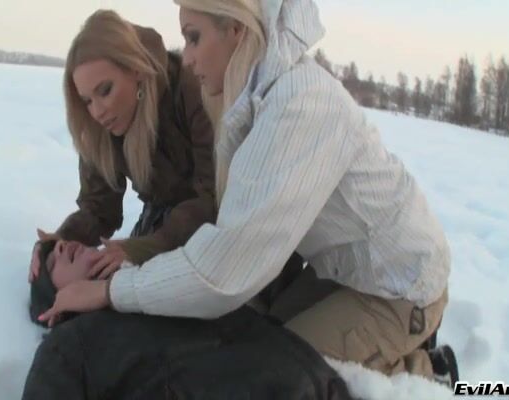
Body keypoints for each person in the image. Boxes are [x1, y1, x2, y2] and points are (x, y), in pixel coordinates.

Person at [40, 0, 459, 386]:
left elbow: (227, 266)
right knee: (257, 337)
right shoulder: (253, 101)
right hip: (337, 272)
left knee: (277, 375)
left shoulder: (299, 104)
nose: (187, 56)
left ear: (236, 31)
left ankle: (425, 372)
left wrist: (111, 290)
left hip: (397, 285)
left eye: (194, 37)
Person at [24, 239, 352, 399]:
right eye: (52, 263)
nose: (62, 246)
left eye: (63, 245)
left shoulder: (162, 280)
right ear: (54, 307)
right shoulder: (69, 343)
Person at [27, 9, 216, 283]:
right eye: (87, 101)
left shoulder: (190, 89)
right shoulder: (99, 129)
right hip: (162, 223)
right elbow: (99, 209)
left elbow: (212, 195)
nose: (97, 111)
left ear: (135, 70)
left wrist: (141, 249)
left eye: (105, 90)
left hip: (220, 225)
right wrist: (59, 243)